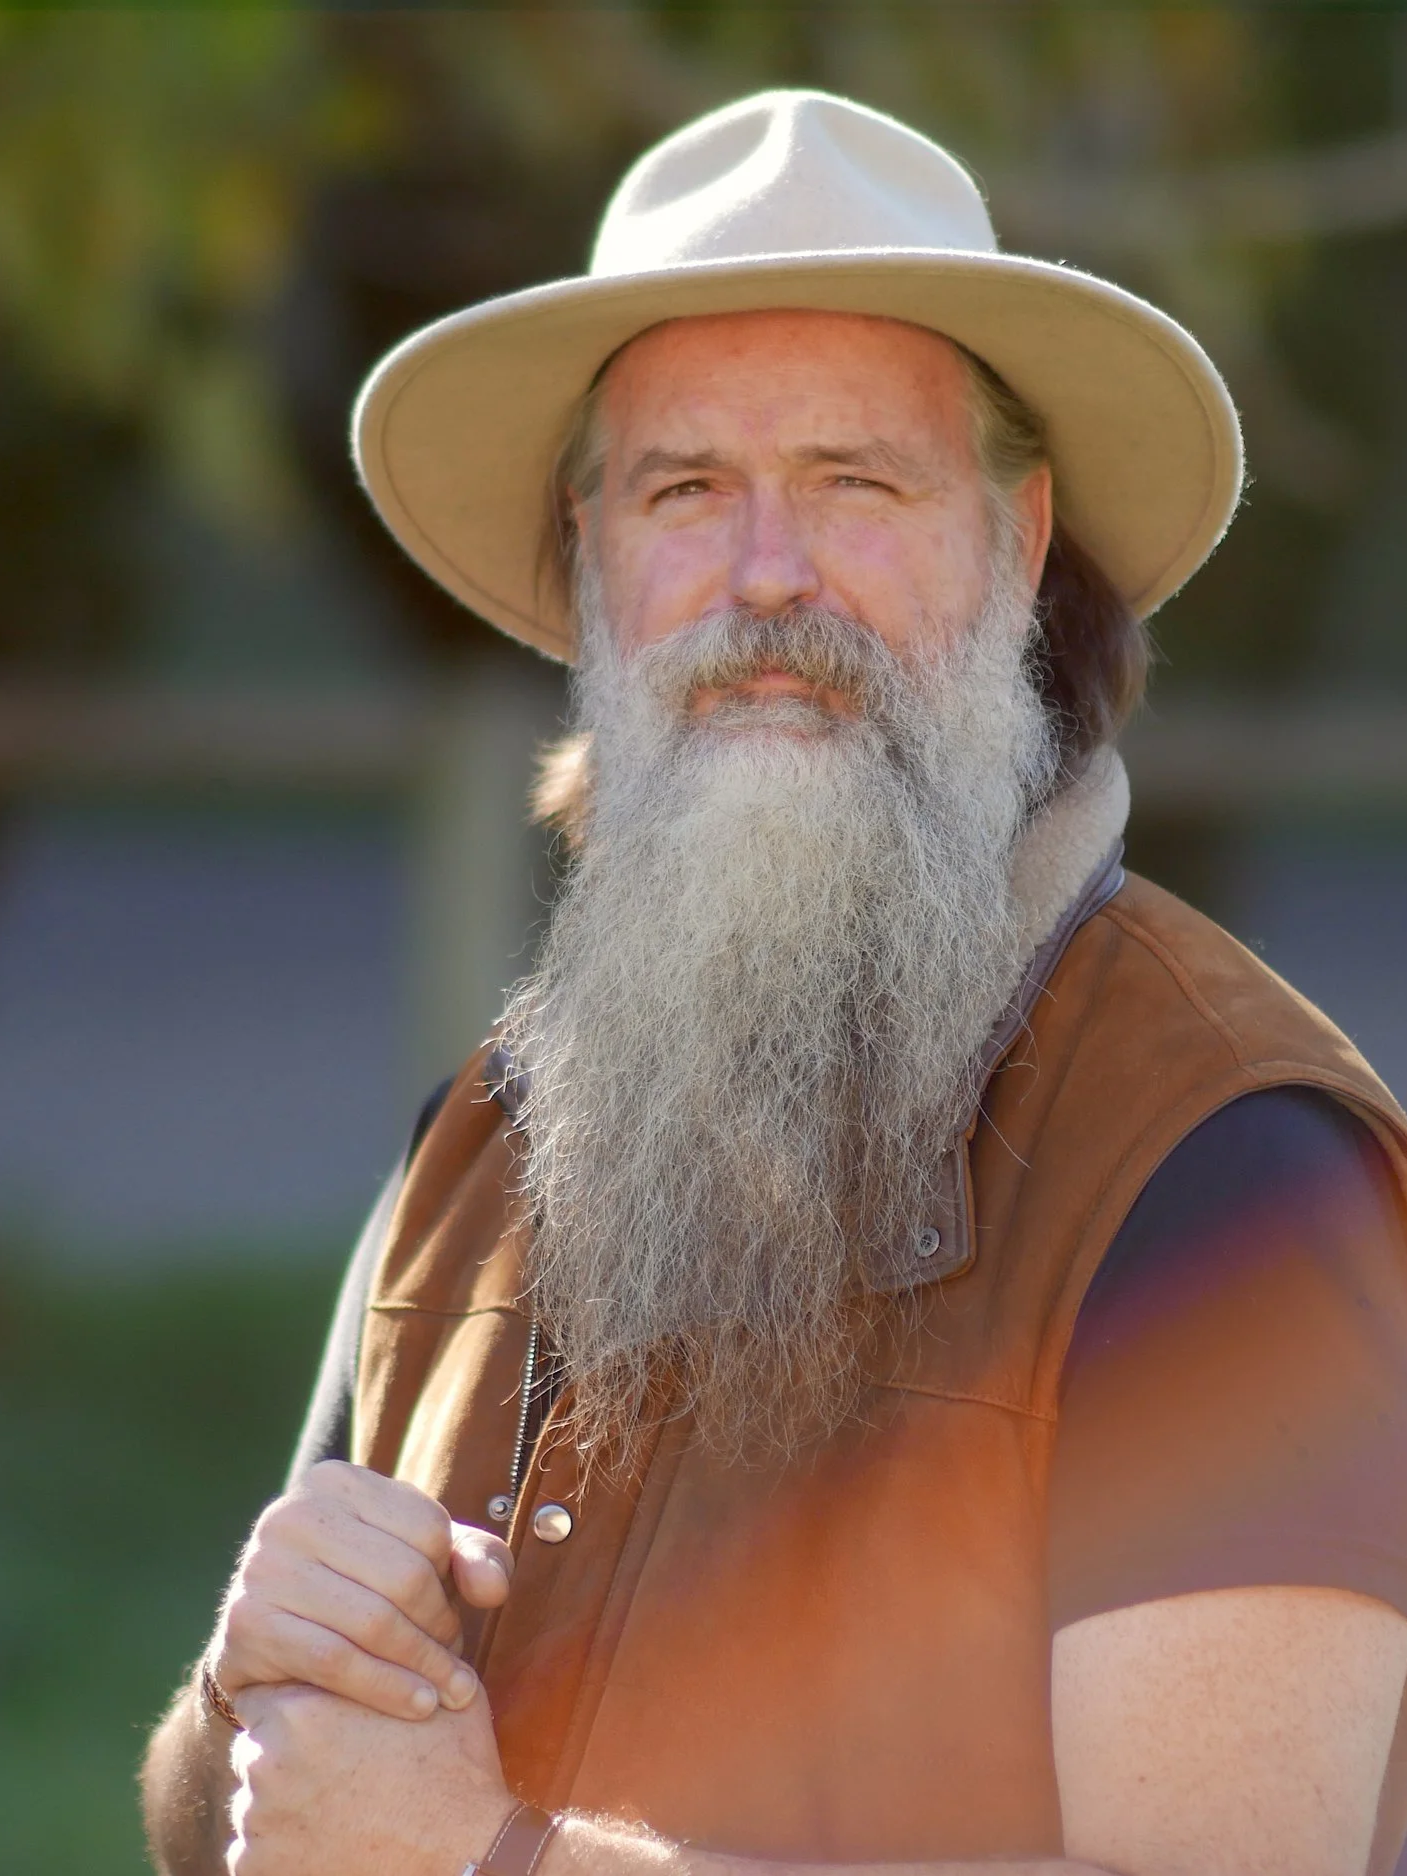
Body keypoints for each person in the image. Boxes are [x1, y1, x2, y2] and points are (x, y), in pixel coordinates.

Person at [143, 90, 1407, 1876]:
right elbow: (262, 1834)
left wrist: (494, 1864)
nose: (765, 578)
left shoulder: (1219, 1165)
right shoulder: (487, 1136)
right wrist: (237, 1693)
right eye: (683, 491)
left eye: (854, 482)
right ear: (590, 562)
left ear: (1017, 541)